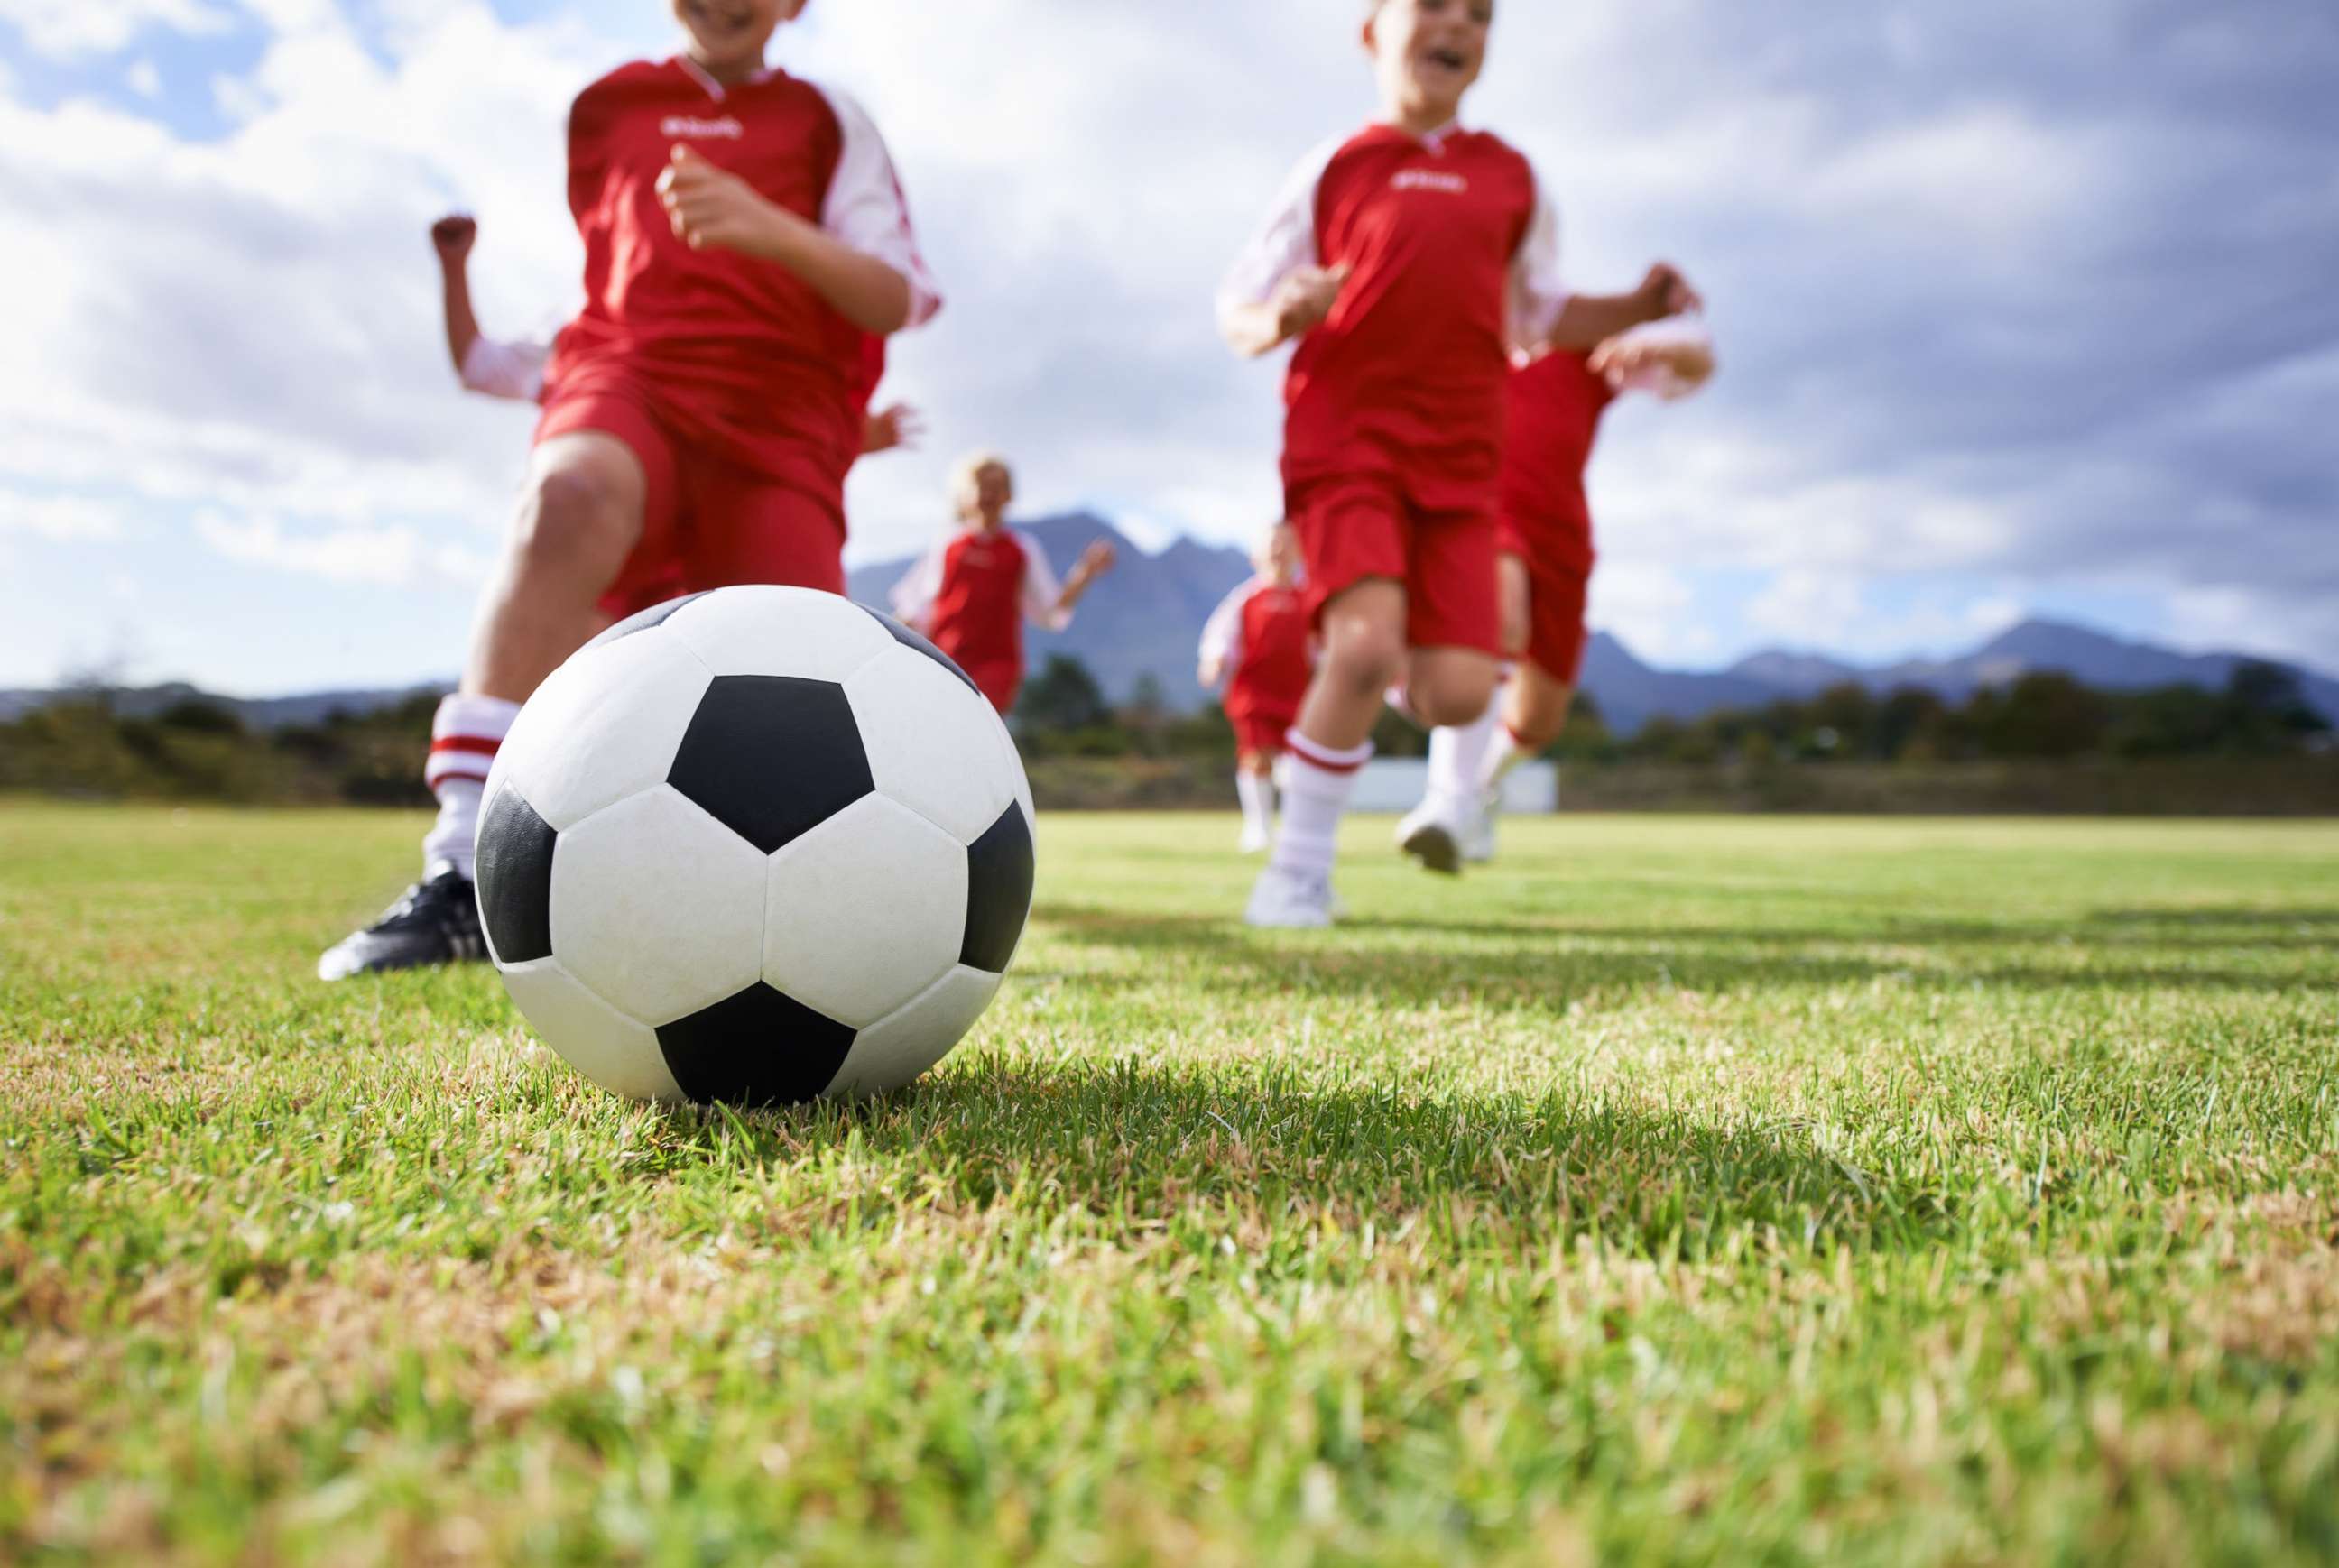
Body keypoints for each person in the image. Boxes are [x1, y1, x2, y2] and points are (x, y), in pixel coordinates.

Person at [321, 0, 940, 980]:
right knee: (567, 501)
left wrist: (765, 226)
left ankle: (776, 910)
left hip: (778, 412)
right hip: (632, 372)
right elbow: (589, 292)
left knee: (783, 675)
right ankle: (464, 872)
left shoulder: (827, 117)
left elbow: (896, 294)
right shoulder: (607, 107)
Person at [1216, 0, 1700, 927]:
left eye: (1479, 15)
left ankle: (1378, 652)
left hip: (1465, 462)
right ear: (1371, 33)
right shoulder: (1334, 167)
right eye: (1434, 6)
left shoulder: (1513, 177)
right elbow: (1238, 310)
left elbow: (1545, 316)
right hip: (1346, 442)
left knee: (1459, 693)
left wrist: (1639, 306)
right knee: (1363, 649)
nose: (1459, 26)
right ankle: (1296, 874)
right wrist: (1285, 314)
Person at [1396, 316, 1715, 871]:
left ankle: (1477, 795)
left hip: (1561, 535)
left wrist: (1666, 343)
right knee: (1496, 621)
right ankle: (1446, 802)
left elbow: (1696, 365)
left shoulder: (1584, 342)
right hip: (1484, 510)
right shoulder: (1460, 333)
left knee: (1536, 725)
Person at [426, 212, 925, 461]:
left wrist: (847, 436)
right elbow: (477, 365)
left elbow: (769, 417)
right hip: (601, 546)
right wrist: (454, 267)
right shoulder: (577, 322)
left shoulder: (735, 312)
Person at [889, 452, 1117, 715]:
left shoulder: (1022, 549)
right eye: (982, 487)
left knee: (976, 727)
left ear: (1008, 496)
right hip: (944, 658)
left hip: (997, 667)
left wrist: (1085, 573)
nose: (989, 495)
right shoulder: (947, 544)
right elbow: (915, 608)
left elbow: (1051, 608)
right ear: (966, 495)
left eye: (997, 488)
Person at [1197, 522, 1313, 853]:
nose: (1278, 550)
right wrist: (1213, 661)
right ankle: (1259, 827)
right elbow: (1220, 635)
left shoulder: (1309, 598)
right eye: (1272, 544)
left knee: (1298, 765)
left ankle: (1294, 829)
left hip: (1300, 694)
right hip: (1253, 693)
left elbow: (1322, 646)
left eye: (1286, 544)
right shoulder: (1245, 598)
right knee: (1255, 756)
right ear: (1255, 555)